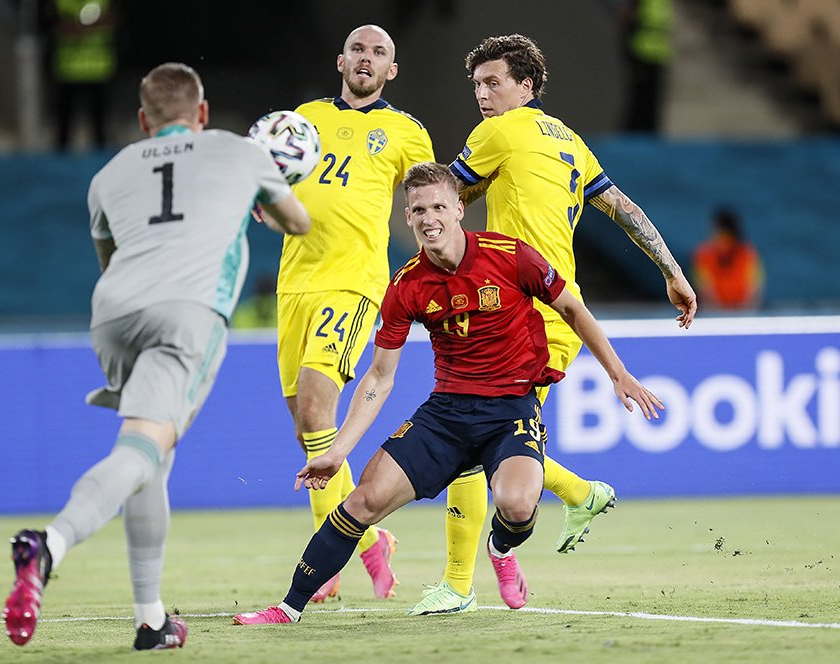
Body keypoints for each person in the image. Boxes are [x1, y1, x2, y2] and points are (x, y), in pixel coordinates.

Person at [232, 162, 663, 626]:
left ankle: (499, 547)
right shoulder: (406, 285)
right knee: (361, 502)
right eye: (418, 209)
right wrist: (338, 451)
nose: (429, 217)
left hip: (511, 410)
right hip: (447, 414)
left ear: (460, 209)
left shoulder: (512, 255)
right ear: (408, 216)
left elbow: (574, 310)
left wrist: (618, 374)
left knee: (517, 506)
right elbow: (378, 377)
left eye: (439, 205)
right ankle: (288, 608)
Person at [1, 62, 310, 650]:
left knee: (152, 461)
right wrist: (264, 189)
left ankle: (151, 620)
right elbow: (297, 222)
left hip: (112, 314)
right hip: (185, 313)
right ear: (203, 115)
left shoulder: (109, 172)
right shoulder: (235, 152)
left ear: (143, 121)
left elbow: (109, 254)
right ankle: (49, 545)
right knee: (141, 449)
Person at [408, 33, 697, 616]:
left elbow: (442, 200)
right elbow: (625, 211)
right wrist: (672, 270)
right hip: (556, 309)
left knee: (470, 436)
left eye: (493, 83)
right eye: (477, 85)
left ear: (526, 86)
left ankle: (459, 583)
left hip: (516, 311)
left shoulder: (496, 134)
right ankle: (578, 494)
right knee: (492, 436)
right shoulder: (569, 139)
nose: (483, 95)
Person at [270, 24, 434, 603]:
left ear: (392, 70)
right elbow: (274, 184)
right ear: (341, 59)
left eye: (380, 53)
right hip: (295, 285)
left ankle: (326, 555)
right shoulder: (303, 117)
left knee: (318, 406)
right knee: (307, 427)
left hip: (354, 284)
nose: (367, 59)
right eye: (359, 50)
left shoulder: (405, 131)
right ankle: (369, 543)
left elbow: (429, 200)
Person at [46, 0, 116, 150]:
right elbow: (56, 28)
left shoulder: (104, 2)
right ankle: (60, 165)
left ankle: (101, 162)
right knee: (63, 128)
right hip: (67, 70)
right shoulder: (60, 3)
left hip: (99, 69)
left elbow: (112, 21)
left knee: (99, 126)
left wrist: (77, 27)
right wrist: (91, 25)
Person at [692, 207, 763, 310]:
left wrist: (744, 312)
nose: (721, 240)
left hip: (744, 312)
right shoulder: (703, 255)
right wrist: (717, 311)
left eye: (725, 236)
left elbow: (754, 288)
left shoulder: (748, 254)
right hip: (713, 313)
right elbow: (704, 289)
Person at [618, 0, 672, 133]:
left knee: (652, 103)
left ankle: (648, 135)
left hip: (658, 54)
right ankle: (631, 135)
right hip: (641, 52)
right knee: (640, 101)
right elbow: (628, 19)